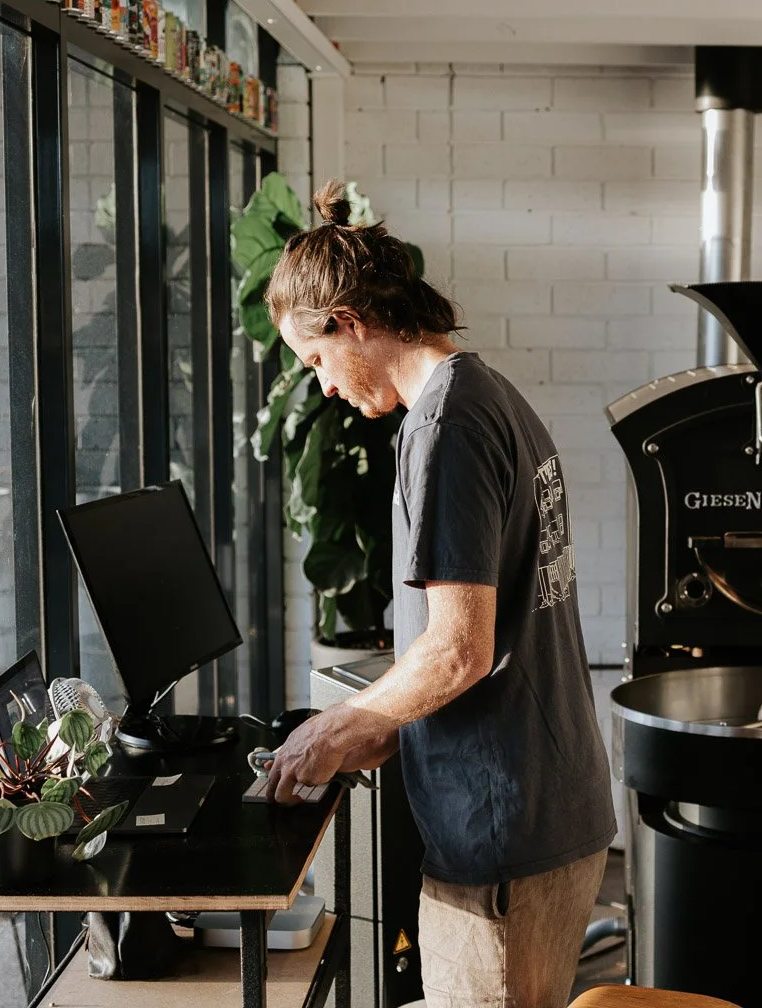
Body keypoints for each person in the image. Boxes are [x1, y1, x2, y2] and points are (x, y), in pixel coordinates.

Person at [259, 181, 616, 1008]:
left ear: (349, 321)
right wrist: (385, 723)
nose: (322, 386)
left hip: (502, 833)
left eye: (315, 361)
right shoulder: (485, 393)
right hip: (545, 812)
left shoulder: (444, 428)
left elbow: (460, 649)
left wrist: (342, 726)